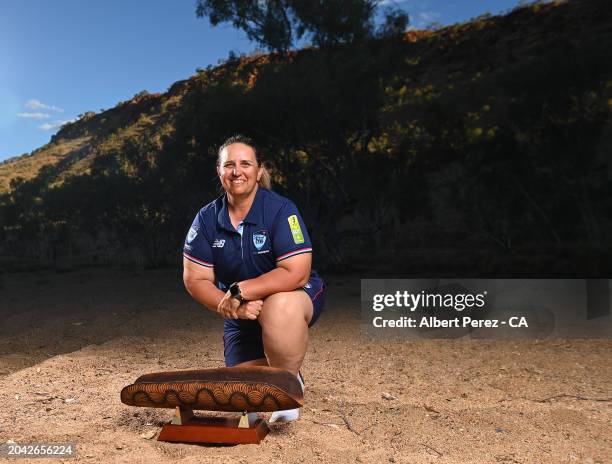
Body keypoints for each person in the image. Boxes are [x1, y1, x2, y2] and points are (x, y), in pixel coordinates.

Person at [182, 134, 325, 423]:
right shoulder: (207, 218)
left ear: (259, 171)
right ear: (219, 171)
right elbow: (195, 279)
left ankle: (287, 388)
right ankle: (284, 366)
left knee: (279, 306)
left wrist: (242, 290)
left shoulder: (281, 210)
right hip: (242, 312)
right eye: (229, 164)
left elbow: (296, 272)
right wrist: (229, 305)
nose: (237, 171)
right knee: (242, 385)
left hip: (292, 295)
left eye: (246, 163)